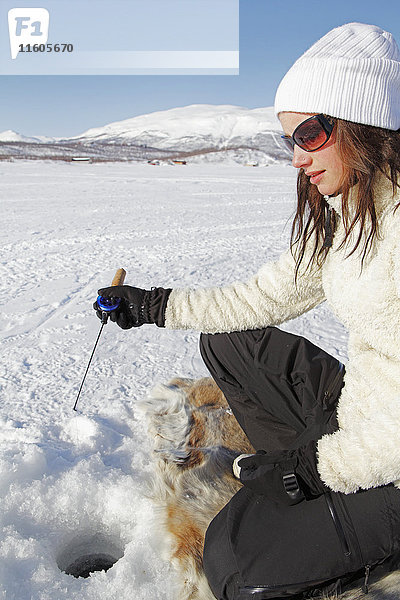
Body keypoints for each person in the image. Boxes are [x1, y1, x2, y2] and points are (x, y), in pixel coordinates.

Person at [96, 22, 400, 600]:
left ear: (365, 122)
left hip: (393, 458)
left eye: (309, 133)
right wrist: (153, 306)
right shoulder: (350, 211)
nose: (295, 157)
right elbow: (260, 296)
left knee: (234, 570)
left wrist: (314, 470)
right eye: (289, 138)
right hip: (368, 407)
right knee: (227, 340)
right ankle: (308, 485)